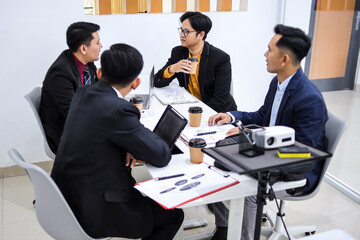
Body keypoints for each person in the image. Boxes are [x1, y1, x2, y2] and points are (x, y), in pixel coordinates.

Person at [50, 43, 184, 239]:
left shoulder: (83, 93)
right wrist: (137, 140)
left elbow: (100, 133)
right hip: (95, 210)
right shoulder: (117, 110)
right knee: (172, 215)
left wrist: (128, 143)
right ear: (136, 83)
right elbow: (161, 155)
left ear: (100, 71)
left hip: (66, 197)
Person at [208, 24, 328, 240]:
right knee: (216, 164)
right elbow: (263, 115)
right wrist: (232, 116)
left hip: (296, 169)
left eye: (270, 50)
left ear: (284, 60)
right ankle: (225, 228)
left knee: (247, 193)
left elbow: (304, 151)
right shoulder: (279, 82)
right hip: (269, 154)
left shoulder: (309, 98)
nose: (265, 54)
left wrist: (260, 137)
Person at [154, 11, 237, 113]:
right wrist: (172, 69)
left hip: (218, 112)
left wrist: (197, 113)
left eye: (186, 31)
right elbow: (157, 81)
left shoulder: (220, 58)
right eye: (181, 30)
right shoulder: (178, 52)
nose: (181, 35)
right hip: (192, 107)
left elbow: (220, 98)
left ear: (201, 35)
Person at [39, 21, 102, 154]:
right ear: (83, 49)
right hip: (66, 136)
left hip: (83, 125)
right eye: (97, 43)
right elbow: (74, 115)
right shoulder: (60, 74)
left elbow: (97, 94)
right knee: (118, 140)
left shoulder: (87, 64)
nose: (101, 46)